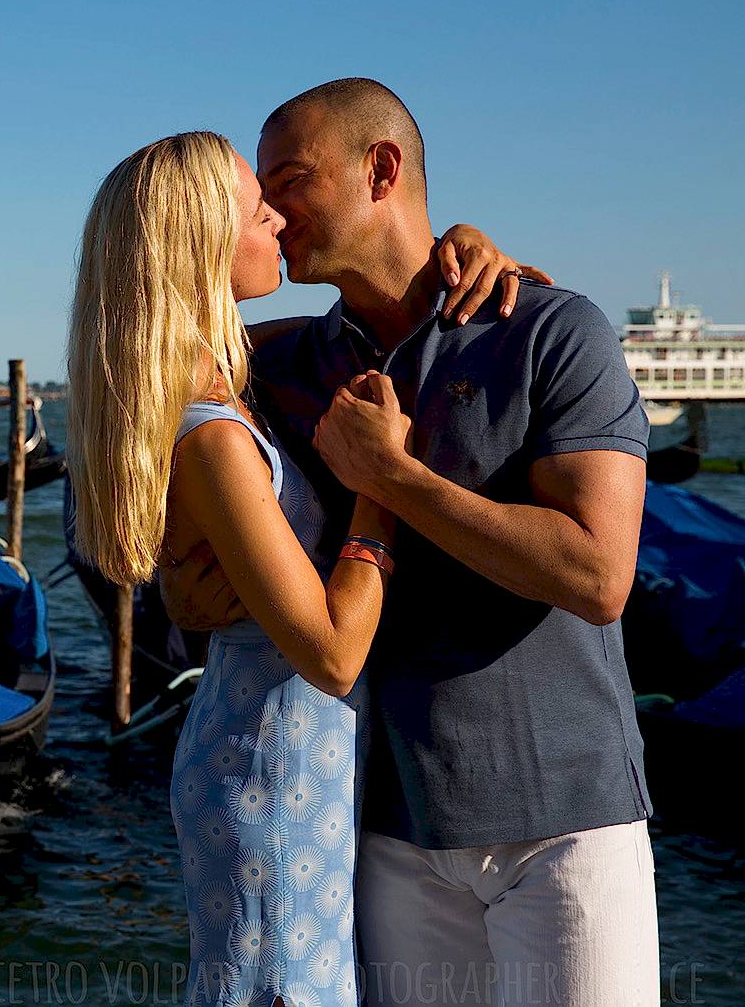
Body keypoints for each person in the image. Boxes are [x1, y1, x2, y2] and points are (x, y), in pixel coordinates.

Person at [167, 80, 655, 1005]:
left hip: (564, 821)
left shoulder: (549, 332)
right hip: (384, 829)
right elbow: (145, 387)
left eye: (292, 178)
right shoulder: (283, 363)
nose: (268, 209)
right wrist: (165, 578)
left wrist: (392, 481)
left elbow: (599, 575)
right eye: (260, 190)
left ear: (381, 170)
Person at [66, 130, 542, 1007]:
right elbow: (331, 653)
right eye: (258, 210)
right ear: (202, 245)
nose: (279, 219)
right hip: (273, 774)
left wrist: (461, 254)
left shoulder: (222, 378)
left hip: (284, 765)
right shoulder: (210, 430)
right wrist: (378, 483)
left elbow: (355, 325)